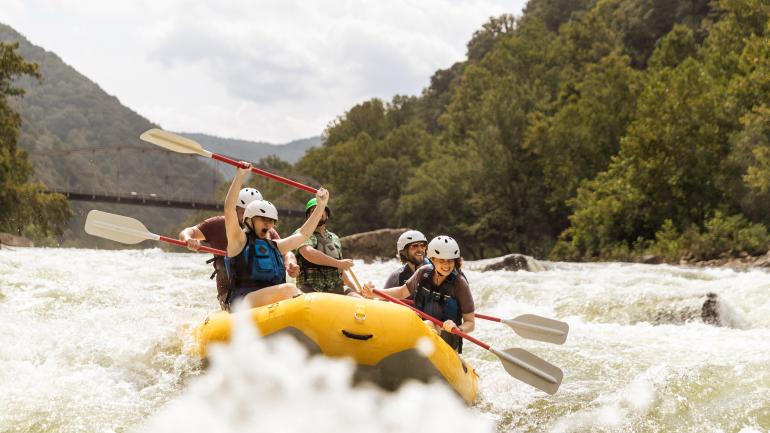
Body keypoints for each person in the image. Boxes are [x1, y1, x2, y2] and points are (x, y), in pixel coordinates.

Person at [223, 162, 330, 309]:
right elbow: (229, 210)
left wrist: (321, 206)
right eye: (263, 220)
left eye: (271, 221)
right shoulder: (238, 240)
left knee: (294, 291)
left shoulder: (275, 246)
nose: (268, 225)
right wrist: (240, 176)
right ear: (249, 220)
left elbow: (303, 233)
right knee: (289, 289)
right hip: (241, 303)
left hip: (270, 305)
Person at [179, 187, 299, 310]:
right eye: (243, 212)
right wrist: (188, 238)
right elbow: (189, 231)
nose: (247, 217)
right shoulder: (219, 224)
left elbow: (286, 251)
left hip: (264, 290)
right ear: (235, 210)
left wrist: (290, 262)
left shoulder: (265, 231)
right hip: (232, 294)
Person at [362, 235, 475, 353]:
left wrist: (458, 328)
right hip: (422, 329)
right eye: (441, 260)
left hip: (448, 339)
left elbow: (470, 323)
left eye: (450, 260)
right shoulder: (423, 272)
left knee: (429, 324)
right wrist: (374, 294)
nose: (446, 265)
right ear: (433, 259)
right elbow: (401, 292)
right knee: (428, 324)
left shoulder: (460, 284)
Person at [294, 197, 359, 295]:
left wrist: (357, 291)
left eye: (320, 210)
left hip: (336, 289)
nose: (318, 213)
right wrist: (338, 263)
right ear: (308, 217)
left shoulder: (334, 238)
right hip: (311, 290)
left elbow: (341, 270)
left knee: (357, 297)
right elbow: (308, 253)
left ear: (327, 215)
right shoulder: (302, 233)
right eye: (314, 211)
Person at [382, 230, 429, 298]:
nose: (420, 249)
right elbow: (382, 300)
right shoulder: (396, 276)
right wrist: (370, 293)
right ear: (404, 252)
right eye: (414, 246)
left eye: (423, 245)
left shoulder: (435, 270)